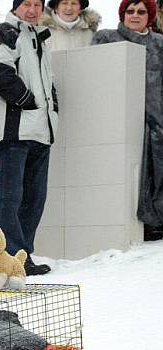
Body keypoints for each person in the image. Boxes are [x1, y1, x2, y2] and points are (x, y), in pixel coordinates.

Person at [0, 0, 58, 275]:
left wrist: (52, 112)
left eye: (37, 4)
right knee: (9, 197)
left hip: (41, 132)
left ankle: (23, 257)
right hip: (13, 131)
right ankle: (9, 256)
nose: (32, 9)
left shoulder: (41, 38)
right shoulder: (3, 32)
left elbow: (48, 84)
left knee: (35, 198)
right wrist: (26, 100)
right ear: (16, 7)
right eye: (26, 3)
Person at [92, 0, 163, 240]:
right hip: (116, 119)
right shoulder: (106, 38)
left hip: (156, 119)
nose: (135, 15)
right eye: (130, 11)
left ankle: (155, 222)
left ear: (150, 16)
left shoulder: (160, 44)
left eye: (141, 11)